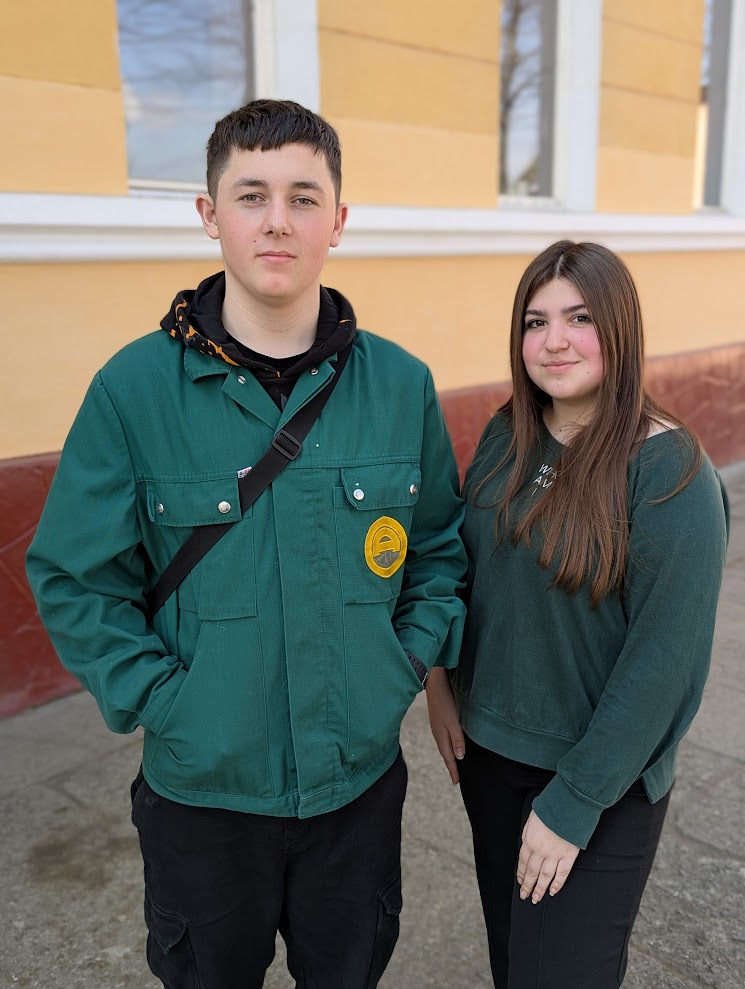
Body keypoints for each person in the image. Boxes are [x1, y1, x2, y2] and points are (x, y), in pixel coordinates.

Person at [26, 99, 466, 989]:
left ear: (337, 221)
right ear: (209, 213)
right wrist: (164, 700)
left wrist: (401, 663)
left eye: (304, 198)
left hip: (355, 787)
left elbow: (438, 552)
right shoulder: (132, 390)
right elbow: (74, 577)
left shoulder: (399, 385)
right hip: (203, 795)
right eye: (251, 194)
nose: (277, 220)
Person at [425, 240, 728, 988]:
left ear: (620, 328)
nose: (554, 340)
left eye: (579, 318)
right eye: (536, 321)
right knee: (512, 963)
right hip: (490, 757)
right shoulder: (507, 433)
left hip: (601, 779)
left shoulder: (670, 473)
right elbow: (460, 571)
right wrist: (440, 684)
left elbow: (663, 667)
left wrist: (574, 803)